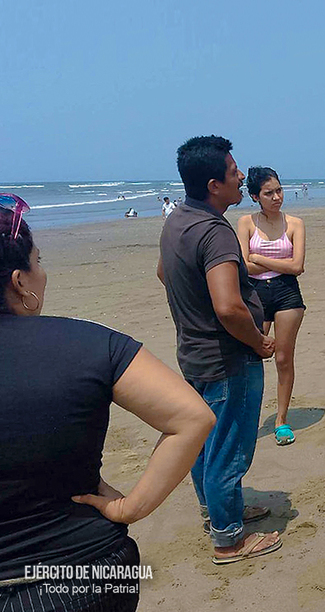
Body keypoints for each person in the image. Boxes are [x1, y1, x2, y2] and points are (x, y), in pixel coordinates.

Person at [0, 202, 214, 610]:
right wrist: (132, 506)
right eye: (38, 262)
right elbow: (192, 417)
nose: (42, 273)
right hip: (86, 574)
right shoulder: (89, 344)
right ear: (19, 282)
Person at [158, 136, 281, 564]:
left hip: (194, 352)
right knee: (228, 448)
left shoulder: (178, 220)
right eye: (233, 172)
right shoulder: (214, 231)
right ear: (214, 185)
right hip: (228, 358)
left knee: (205, 443)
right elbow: (228, 306)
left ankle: (218, 512)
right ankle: (228, 539)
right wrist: (258, 341)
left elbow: (164, 273)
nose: (241, 176)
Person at [237, 167, 306, 446]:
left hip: (287, 293)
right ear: (255, 196)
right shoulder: (246, 223)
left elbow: (297, 266)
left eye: (279, 190)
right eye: (269, 193)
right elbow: (243, 266)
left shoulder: (295, 224)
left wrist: (259, 259)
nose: (277, 197)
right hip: (254, 294)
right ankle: (245, 419)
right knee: (252, 356)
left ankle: (281, 420)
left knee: (283, 358)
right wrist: (278, 264)